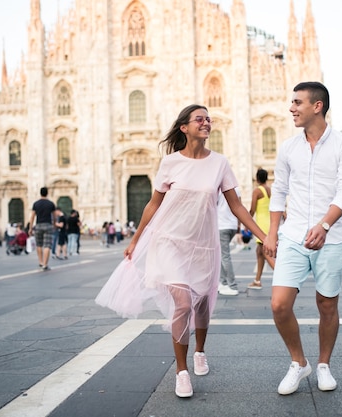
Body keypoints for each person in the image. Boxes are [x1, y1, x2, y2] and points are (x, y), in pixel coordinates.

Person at [95, 104, 267, 398]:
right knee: (184, 304)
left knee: (201, 305)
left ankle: (200, 350)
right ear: (184, 128)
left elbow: (237, 205)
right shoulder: (170, 163)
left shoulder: (220, 164)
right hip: (169, 242)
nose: (206, 122)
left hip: (203, 245)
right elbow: (153, 204)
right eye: (199, 119)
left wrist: (264, 236)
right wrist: (136, 240)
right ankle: (181, 371)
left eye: (208, 119)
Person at [263, 82, 342, 395]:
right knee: (279, 305)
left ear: (317, 106)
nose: (291, 108)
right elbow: (279, 191)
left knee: (326, 305)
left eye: (297, 102)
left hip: (331, 238)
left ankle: (323, 364)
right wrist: (272, 233)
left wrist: (325, 224)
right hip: (292, 236)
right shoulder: (288, 148)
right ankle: (298, 362)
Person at [248, 168, 276, 289]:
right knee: (259, 252)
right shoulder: (270, 190)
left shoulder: (257, 191)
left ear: (257, 178)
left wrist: (247, 222)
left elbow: (252, 209)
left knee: (265, 253)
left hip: (262, 225)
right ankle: (257, 281)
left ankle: (282, 277)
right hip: (269, 223)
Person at [217, 188, 241, 296]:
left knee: (224, 256)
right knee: (221, 255)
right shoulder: (237, 189)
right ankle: (223, 282)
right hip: (232, 225)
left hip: (222, 225)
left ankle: (232, 286)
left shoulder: (217, 189)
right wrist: (239, 225)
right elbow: (240, 206)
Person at [29, 187, 58, 271]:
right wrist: (54, 223)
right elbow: (55, 215)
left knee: (39, 244)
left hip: (38, 225)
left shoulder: (36, 204)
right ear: (47, 193)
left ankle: (41, 262)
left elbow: (32, 217)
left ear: (40, 193)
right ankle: (45, 264)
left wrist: (30, 228)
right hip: (48, 225)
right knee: (47, 245)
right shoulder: (51, 204)